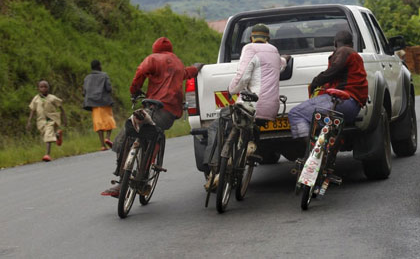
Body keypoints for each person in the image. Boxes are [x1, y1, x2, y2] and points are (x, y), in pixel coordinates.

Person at [101, 37, 203, 197]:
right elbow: (187, 73)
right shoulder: (177, 62)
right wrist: (197, 68)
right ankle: (143, 177)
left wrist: (134, 90)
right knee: (155, 134)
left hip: (151, 106)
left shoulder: (153, 59)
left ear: (155, 49)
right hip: (169, 113)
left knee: (132, 129)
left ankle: (122, 179)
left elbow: (140, 72)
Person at [202, 24, 288, 190]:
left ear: (252, 38)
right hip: (271, 108)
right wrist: (287, 58)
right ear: (268, 38)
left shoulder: (250, 48)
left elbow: (242, 77)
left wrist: (231, 91)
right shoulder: (275, 51)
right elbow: (281, 64)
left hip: (252, 106)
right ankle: (248, 146)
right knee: (247, 124)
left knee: (218, 124)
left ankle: (213, 165)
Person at [287, 30, 368, 158]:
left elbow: (333, 70)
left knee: (295, 114)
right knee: (315, 119)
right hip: (352, 106)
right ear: (351, 43)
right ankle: (328, 150)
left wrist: (316, 82)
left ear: (335, 43)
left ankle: (314, 155)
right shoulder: (355, 55)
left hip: (341, 101)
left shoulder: (344, 51)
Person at [27, 80, 67, 162]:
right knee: (45, 134)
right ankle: (57, 135)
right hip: (41, 121)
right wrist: (29, 121)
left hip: (51, 119)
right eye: (41, 87)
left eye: (45, 87)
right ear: (38, 88)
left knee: (48, 135)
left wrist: (64, 119)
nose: (44, 88)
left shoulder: (52, 98)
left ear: (48, 88)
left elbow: (61, 108)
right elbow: (32, 110)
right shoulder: (36, 99)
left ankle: (47, 154)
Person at [83, 60, 117, 151]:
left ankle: (102, 145)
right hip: (104, 102)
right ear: (98, 66)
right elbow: (108, 88)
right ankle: (108, 138)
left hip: (94, 104)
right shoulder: (104, 75)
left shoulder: (87, 78)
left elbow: (84, 91)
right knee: (109, 121)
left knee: (98, 123)